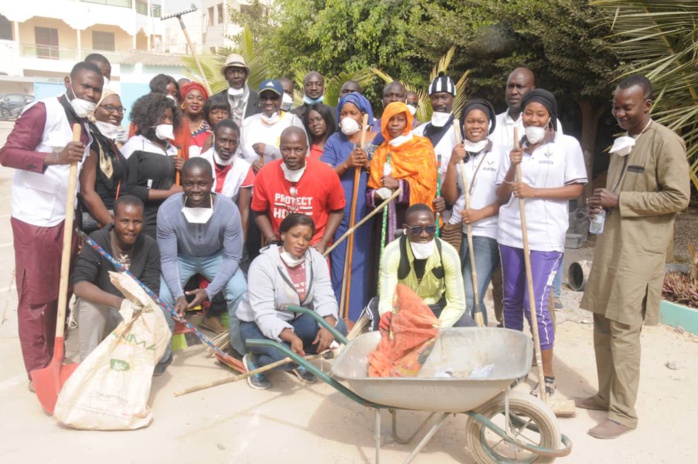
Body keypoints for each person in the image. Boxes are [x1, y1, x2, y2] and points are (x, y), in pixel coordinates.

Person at [578, 75, 690, 439]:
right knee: (601, 321)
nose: (620, 113)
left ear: (647, 105)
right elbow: (618, 195)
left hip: (639, 253)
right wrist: (603, 205)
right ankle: (606, 395)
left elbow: (677, 198)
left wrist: (620, 201)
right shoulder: (622, 143)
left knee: (625, 328)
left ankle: (624, 414)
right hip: (611, 246)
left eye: (627, 107)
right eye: (616, 106)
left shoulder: (666, 142)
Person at [0, 61, 102, 388]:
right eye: (86, 86)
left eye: (96, 89)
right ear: (68, 82)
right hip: (33, 217)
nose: (90, 94)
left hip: (63, 219)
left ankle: (55, 354)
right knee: (35, 298)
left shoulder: (84, 130)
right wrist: (54, 157)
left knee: (60, 291)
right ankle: (38, 369)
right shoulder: (43, 111)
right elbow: (8, 153)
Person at [495, 89, 587, 398]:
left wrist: (534, 193)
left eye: (540, 114)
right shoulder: (513, 145)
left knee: (535, 304)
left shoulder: (566, 145)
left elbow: (575, 190)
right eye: (528, 114)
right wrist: (512, 164)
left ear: (550, 117)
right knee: (509, 299)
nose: (533, 119)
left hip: (545, 236)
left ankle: (546, 374)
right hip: (510, 232)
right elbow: (502, 195)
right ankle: (512, 365)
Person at [237, 214, 347, 390]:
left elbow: (325, 294)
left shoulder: (315, 259)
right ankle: (255, 361)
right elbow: (264, 315)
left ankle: (298, 356)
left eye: (306, 238)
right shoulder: (263, 265)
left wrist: (328, 325)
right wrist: (291, 336)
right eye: (295, 235)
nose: (301, 243)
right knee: (286, 360)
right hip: (256, 325)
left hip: (294, 320)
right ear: (282, 235)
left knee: (338, 329)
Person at [157, 157, 248, 358]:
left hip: (217, 256)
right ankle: (163, 355)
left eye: (202, 183)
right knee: (163, 296)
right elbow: (168, 259)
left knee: (240, 290)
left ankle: (238, 349)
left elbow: (233, 257)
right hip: (181, 257)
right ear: (182, 184)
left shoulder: (228, 210)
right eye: (189, 183)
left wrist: (210, 292)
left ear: (212, 183)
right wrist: (178, 294)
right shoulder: (167, 211)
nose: (195, 189)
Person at [72, 195, 161, 361]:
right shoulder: (98, 240)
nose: (131, 228)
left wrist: (135, 307)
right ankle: (87, 365)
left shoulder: (149, 246)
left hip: (132, 315)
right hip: (104, 312)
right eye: (125, 221)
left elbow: (152, 290)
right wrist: (119, 303)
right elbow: (80, 285)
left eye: (137, 222)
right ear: (113, 219)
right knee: (89, 306)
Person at [442, 99, 502, 325]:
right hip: (457, 229)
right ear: (463, 124)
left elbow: (506, 198)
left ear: (489, 124)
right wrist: (451, 163)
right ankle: (468, 343)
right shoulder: (458, 152)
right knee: (456, 294)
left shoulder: (500, 154)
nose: (475, 126)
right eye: (470, 121)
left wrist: (481, 213)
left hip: (486, 232)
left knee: (471, 293)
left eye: (481, 121)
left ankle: (479, 348)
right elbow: (449, 197)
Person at [321, 92, 377, 320]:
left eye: (352, 113)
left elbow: (385, 172)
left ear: (363, 116)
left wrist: (369, 165)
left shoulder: (376, 139)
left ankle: (360, 318)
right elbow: (324, 175)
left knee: (362, 268)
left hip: (366, 215)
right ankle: (338, 318)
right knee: (340, 266)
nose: (347, 117)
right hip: (340, 215)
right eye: (343, 113)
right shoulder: (335, 141)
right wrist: (346, 164)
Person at [252, 127, 345, 254]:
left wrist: (323, 242)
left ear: (306, 149)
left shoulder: (326, 174)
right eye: (286, 149)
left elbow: (337, 210)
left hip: (314, 246)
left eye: (298, 149)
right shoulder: (265, 174)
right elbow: (259, 211)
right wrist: (272, 239)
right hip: (281, 244)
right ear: (280, 149)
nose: (292, 155)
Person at [378, 204, 473, 328]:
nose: (424, 235)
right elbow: (386, 298)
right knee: (380, 331)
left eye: (430, 229)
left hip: (436, 308)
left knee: (468, 327)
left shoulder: (448, 253)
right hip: (402, 308)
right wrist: (388, 315)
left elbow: (456, 303)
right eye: (417, 229)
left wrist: (437, 327)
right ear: (406, 229)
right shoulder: (392, 252)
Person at [367, 102, 437, 245]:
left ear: (408, 122)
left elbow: (428, 186)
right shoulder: (381, 152)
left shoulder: (422, 146)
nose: (395, 124)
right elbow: (370, 191)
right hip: (386, 220)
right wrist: (378, 194)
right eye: (391, 119)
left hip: (415, 218)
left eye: (400, 120)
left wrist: (399, 185)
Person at [122, 93, 183, 238]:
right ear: (148, 118)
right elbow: (130, 188)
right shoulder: (134, 146)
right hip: (145, 218)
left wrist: (184, 168)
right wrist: (168, 194)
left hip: (171, 216)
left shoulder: (173, 149)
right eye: (163, 118)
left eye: (170, 118)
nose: (168, 122)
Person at [80, 88, 141, 233]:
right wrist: (113, 225)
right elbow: (87, 192)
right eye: (109, 107)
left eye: (120, 109)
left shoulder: (108, 141)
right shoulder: (92, 141)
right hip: (101, 220)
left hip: (114, 215)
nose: (116, 113)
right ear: (94, 109)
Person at [412, 73, 458, 223]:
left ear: (453, 98)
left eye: (444, 97)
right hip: (419, 207)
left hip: (448, 214)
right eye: (435, 97)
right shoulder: (418, 132)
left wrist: (448, 202)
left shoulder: (460, 132)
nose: (439, 102)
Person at [199, 119, 254, 242]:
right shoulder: (200, 163)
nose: (227, 146)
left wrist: (239, 246)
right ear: (214, 139)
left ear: (238, 143)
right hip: (199, 224)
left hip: (227, 226)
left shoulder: (244, 168)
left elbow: (243, 211)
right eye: (222, 140)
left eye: (232, 142)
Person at [241, 79, 305, 171]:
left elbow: (303, 155)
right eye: (264, 98)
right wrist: (250, 162)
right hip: (254, 180)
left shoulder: (292, 121)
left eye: (273, 97)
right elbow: (237, 157)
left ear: (281, 98)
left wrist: (269, 150)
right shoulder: (247, 123)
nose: (268, 102)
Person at [491, 67, 563, 149]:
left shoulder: (545, 123)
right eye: (510, 86)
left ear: (532, 90)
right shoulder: (492, 123)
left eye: (520, 87)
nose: (514, 92)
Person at [215, 54, 261, 127]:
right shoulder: (217, 99)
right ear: (226, 76)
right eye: (232, 72)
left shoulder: (258, 98)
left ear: (246, 75)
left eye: (240, 72)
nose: (236, 76)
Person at [180, 81, 210, 157]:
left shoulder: (209, 128)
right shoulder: (175, 124)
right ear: (183, 101)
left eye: (200, 99)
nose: (195, 101)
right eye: (190, 97)